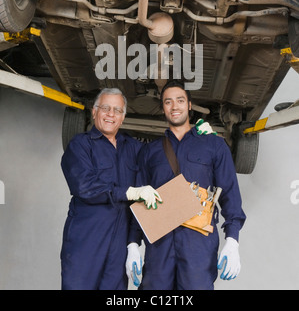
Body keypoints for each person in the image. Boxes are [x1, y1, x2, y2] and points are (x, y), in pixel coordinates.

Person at [126, 80, 246, 290]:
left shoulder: (214, 145)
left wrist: (233, 240)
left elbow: (230, 195)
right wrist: (133, 244)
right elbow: (140, 201)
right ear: (163, 107)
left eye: (180, 100)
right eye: (168, 102)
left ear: (189, 105)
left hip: (198, 245)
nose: (175, 107)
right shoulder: (150, 152)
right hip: (159, 246)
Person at [60, 87, 161, 290]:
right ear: (94, 111)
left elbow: (160, 157)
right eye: (105, 108)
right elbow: (84, 186)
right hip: (86, 241)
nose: (110, 114)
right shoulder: (80, 145)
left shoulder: (132, 147)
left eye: (117, 110)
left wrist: (194, 136)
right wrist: (130, 192)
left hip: (118, 245)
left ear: (123, 118)